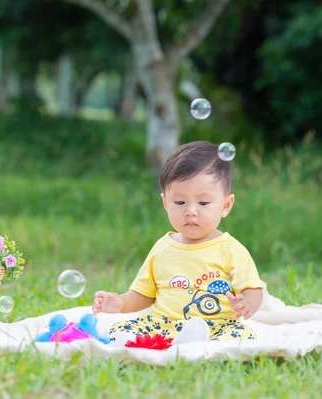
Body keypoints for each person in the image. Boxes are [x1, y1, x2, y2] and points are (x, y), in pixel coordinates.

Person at [93, 141, 264, 345]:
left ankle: (193, 341)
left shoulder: (230, 249)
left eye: (203, 203)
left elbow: (252, 289)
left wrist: (247, 304)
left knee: (241, 335)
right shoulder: (163, 247)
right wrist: (120, 302)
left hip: (214, 325)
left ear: (226, 205)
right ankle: (171, 343)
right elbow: (144, 293)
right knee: (121, 328)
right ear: (166, 203)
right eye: (180, 202)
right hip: (163, 324)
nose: (190, 211)